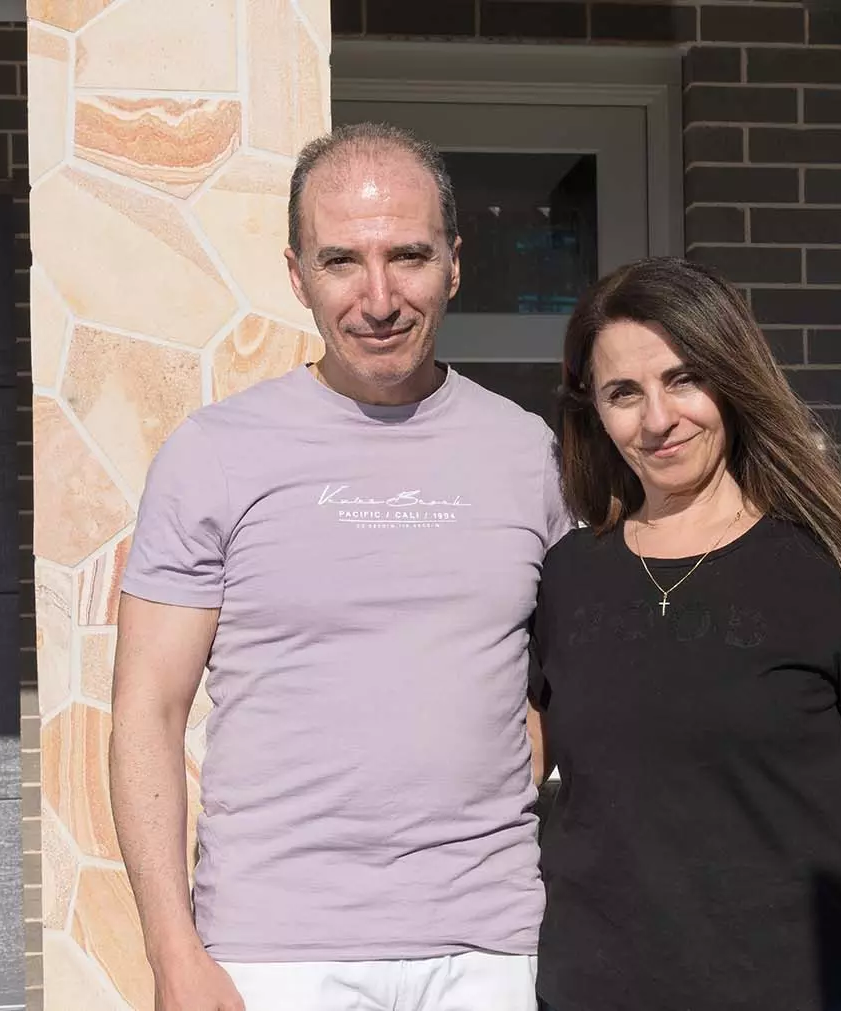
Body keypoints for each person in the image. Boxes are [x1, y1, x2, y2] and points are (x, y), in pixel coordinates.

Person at [107, 121, 570, 1011]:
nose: (380, 296)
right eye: (341, 261)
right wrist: (174, 951)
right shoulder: (213, 453)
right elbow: (146, 712)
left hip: (491, 944)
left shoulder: (528, 455)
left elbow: (551, 684)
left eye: (410, 255)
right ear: (296, 276)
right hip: (275, 949)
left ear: (456, 262)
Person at [529, 257, 841, 1011]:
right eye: (624, 393)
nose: (657, 420)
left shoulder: (827, 568)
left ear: (731, 378)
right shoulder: (566, 577)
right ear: (594, 411)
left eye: (683, 378)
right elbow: (507, 784)